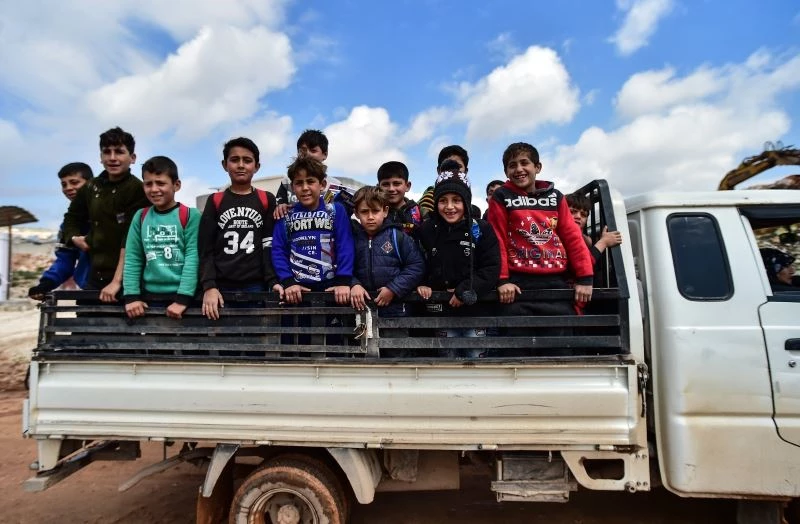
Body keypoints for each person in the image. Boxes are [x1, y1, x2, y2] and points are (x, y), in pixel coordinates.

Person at [487, 142, 593, 317]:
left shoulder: (556, 197)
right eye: (512, 165)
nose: (519, 169)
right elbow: (497, 239)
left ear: (538, 167)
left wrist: (585, 278)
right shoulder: (501, 196)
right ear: (506, 172)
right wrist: (502, 280)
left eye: (524, 163)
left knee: (560, 333)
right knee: (518, 333)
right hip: (516, 284)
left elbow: (572, 237)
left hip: (556, 282)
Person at [417, 168, 499, 358]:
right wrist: (421, 283)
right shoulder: (427, 230)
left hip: (476, 312)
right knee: (447, 361)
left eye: (456, 200)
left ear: (466, 201)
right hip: (441, 312)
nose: (450, 206)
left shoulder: (481, 229)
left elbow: (491, 267)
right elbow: (418, 262)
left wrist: (465, 289)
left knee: (476, 360)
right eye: (443, 201)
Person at [62, 127, 149, 302]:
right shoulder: (91, 187)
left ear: (132, 158)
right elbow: (71, 217)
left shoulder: (138, 190)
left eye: (119, 152)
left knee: (123, 320)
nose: (112, 158)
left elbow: (132, 240)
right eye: (107, 152)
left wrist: (118, 281)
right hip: (94, 276)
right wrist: (73, 237)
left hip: (129, 280)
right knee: (85, 319)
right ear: (100, 157)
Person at [198, 137, 279, 320]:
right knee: (225, 334)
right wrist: (209, 286)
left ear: (257, 166)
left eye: (247, 160)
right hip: (221, 287)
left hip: (256, 285)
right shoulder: (215, 200)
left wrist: (272, 280)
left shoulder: (266, 199)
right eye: (235, 160)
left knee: (256, 333)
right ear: (224, 165)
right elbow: (205, 248)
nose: (241, 165)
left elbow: (268, 244)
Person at [122, 156, 200, 320]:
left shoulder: (190, 215)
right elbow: (133, 257)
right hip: (150, 299)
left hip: (186, 300)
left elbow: (193, 258)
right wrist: (132, 296)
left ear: (176, 185)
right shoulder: (140, 216)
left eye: (160, 183)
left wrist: (183, 299)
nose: (154, 189)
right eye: (148, 184)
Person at [271, 156, 354, 305]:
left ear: (322, 184)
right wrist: (288, 281)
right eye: (299, 183)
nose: (305, 188)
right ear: (293, 187)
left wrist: (343, 280)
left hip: (333, 287)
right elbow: (278, 250)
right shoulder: (286, 215)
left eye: (310, 181)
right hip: (297, 290)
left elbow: (345, 245)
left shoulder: (336, 210)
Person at [350, 186, 425, 320]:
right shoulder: (352, 238)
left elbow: (416, 266)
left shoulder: (397, 236)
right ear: (356, 213)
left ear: (385, 211)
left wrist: (393, 288)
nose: (370, 217)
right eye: (364, 212)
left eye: (375, 211)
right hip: (361, 310)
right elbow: (342, 266)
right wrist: (354, 284)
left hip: (396, 310)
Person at [28, 162, 94, 300]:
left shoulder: (111, 213)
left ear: (91, 183)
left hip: (125, 291)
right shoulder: (67, 226)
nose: (68, 188)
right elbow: (65, 260)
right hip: (89, 290)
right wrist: (46, 283)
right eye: (64, 184)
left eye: (74, 182)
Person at [274, 129, 329, 219]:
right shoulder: (286, 182)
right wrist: (280, 207)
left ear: (325, 154)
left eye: (313, 150)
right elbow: (279, 208)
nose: (307, 154)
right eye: (303, 150)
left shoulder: (335, 185)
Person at [566, 192, 623, 265]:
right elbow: (582, 265)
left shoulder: (586, 240)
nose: (578, 216)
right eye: (572, 212)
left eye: (583, 215)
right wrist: (603, 242)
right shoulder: (557, 238)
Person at [419, 145, 473, 217]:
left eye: (458, 166)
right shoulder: (429, 199)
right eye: (443, 200)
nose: (453, 170)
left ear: (466, 171)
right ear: (439, 171)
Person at [377, 161, 422, 236]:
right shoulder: (373, 213)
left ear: (407, 186)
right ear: (378, 187)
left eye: (396, 184)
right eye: (385, 184)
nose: (391, 189)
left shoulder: (421, 213)